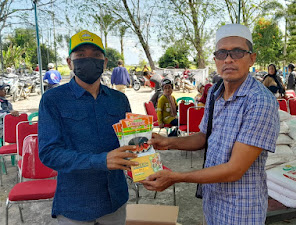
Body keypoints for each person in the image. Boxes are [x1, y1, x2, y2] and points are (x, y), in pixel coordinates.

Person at [140, 24, 279, 224]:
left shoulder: (260, 102)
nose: (228, 59)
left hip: (241, 208)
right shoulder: (215, 92)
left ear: (252, 58)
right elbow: (204, 136)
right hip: (212, 200)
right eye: (222, 53)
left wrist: (176, 177)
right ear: (215, 60)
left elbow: (234, 169)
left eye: (237, 52)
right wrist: (166, 142)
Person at [38, 30, 138, 225]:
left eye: (95, 55)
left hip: (115, 200)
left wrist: (145, 155)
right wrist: (101, 160)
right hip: (75, 204)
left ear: (105, 62)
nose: (88, 60)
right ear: (69, 62)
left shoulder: (119, 100)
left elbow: (130, 142)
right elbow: (49, 153)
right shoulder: (53, 100)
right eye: (81, 55)